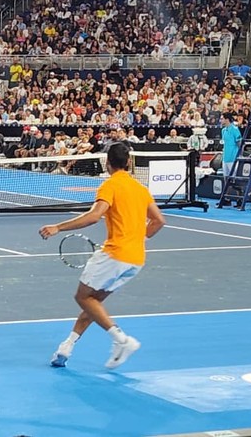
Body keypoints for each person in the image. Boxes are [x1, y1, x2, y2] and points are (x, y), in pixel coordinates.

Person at [39, 143, 167, 369]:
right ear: (128, 162)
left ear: (107, 163)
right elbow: (159, 221)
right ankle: (66, 347)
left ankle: (122, 340)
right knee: (93, 303)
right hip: (135, 259)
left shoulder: (110, 185)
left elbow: (93, 216)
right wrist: (139, 240)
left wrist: (58, 227)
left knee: (83, 297)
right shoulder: (140, 189)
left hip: (115, 254)